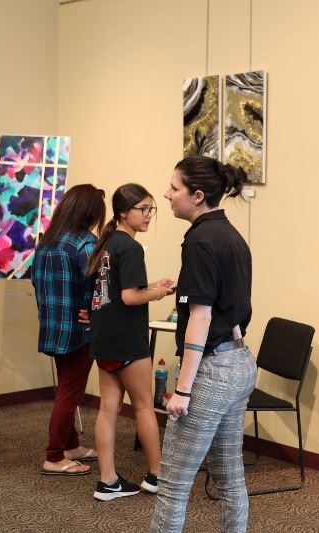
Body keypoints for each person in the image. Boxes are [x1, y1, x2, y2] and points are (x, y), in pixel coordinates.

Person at [150, 156, 256, 532]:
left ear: (197, 196)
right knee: (230, 477)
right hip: (240, 362)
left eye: (174, 189)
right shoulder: (229, 233)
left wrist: (182, 390)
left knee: (173, 485)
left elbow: (201, 318)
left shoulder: (199, 240)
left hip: (211, 371)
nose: (166, 194)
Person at [88, 183, 175, 501]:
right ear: (124, 212)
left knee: (108, 409)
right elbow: (129, 296)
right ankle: (157, 476)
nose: (149, 215)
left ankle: (107, 481)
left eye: (152, 209)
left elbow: (119, 289)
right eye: (144, 209)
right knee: (143, 406)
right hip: (127, 340)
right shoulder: (131, 247)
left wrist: (151, 285)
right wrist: (160, 292)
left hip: (104, 338)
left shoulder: (108, 242)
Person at [31, 184, 107, 476]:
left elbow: (35, 282)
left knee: (65, 387)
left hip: (52, 326)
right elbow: (98, 290)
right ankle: (53, 456)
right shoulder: (87, 244)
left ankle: (71, 445)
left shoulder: (46, 241)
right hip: (79, 330)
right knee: (69, 393)